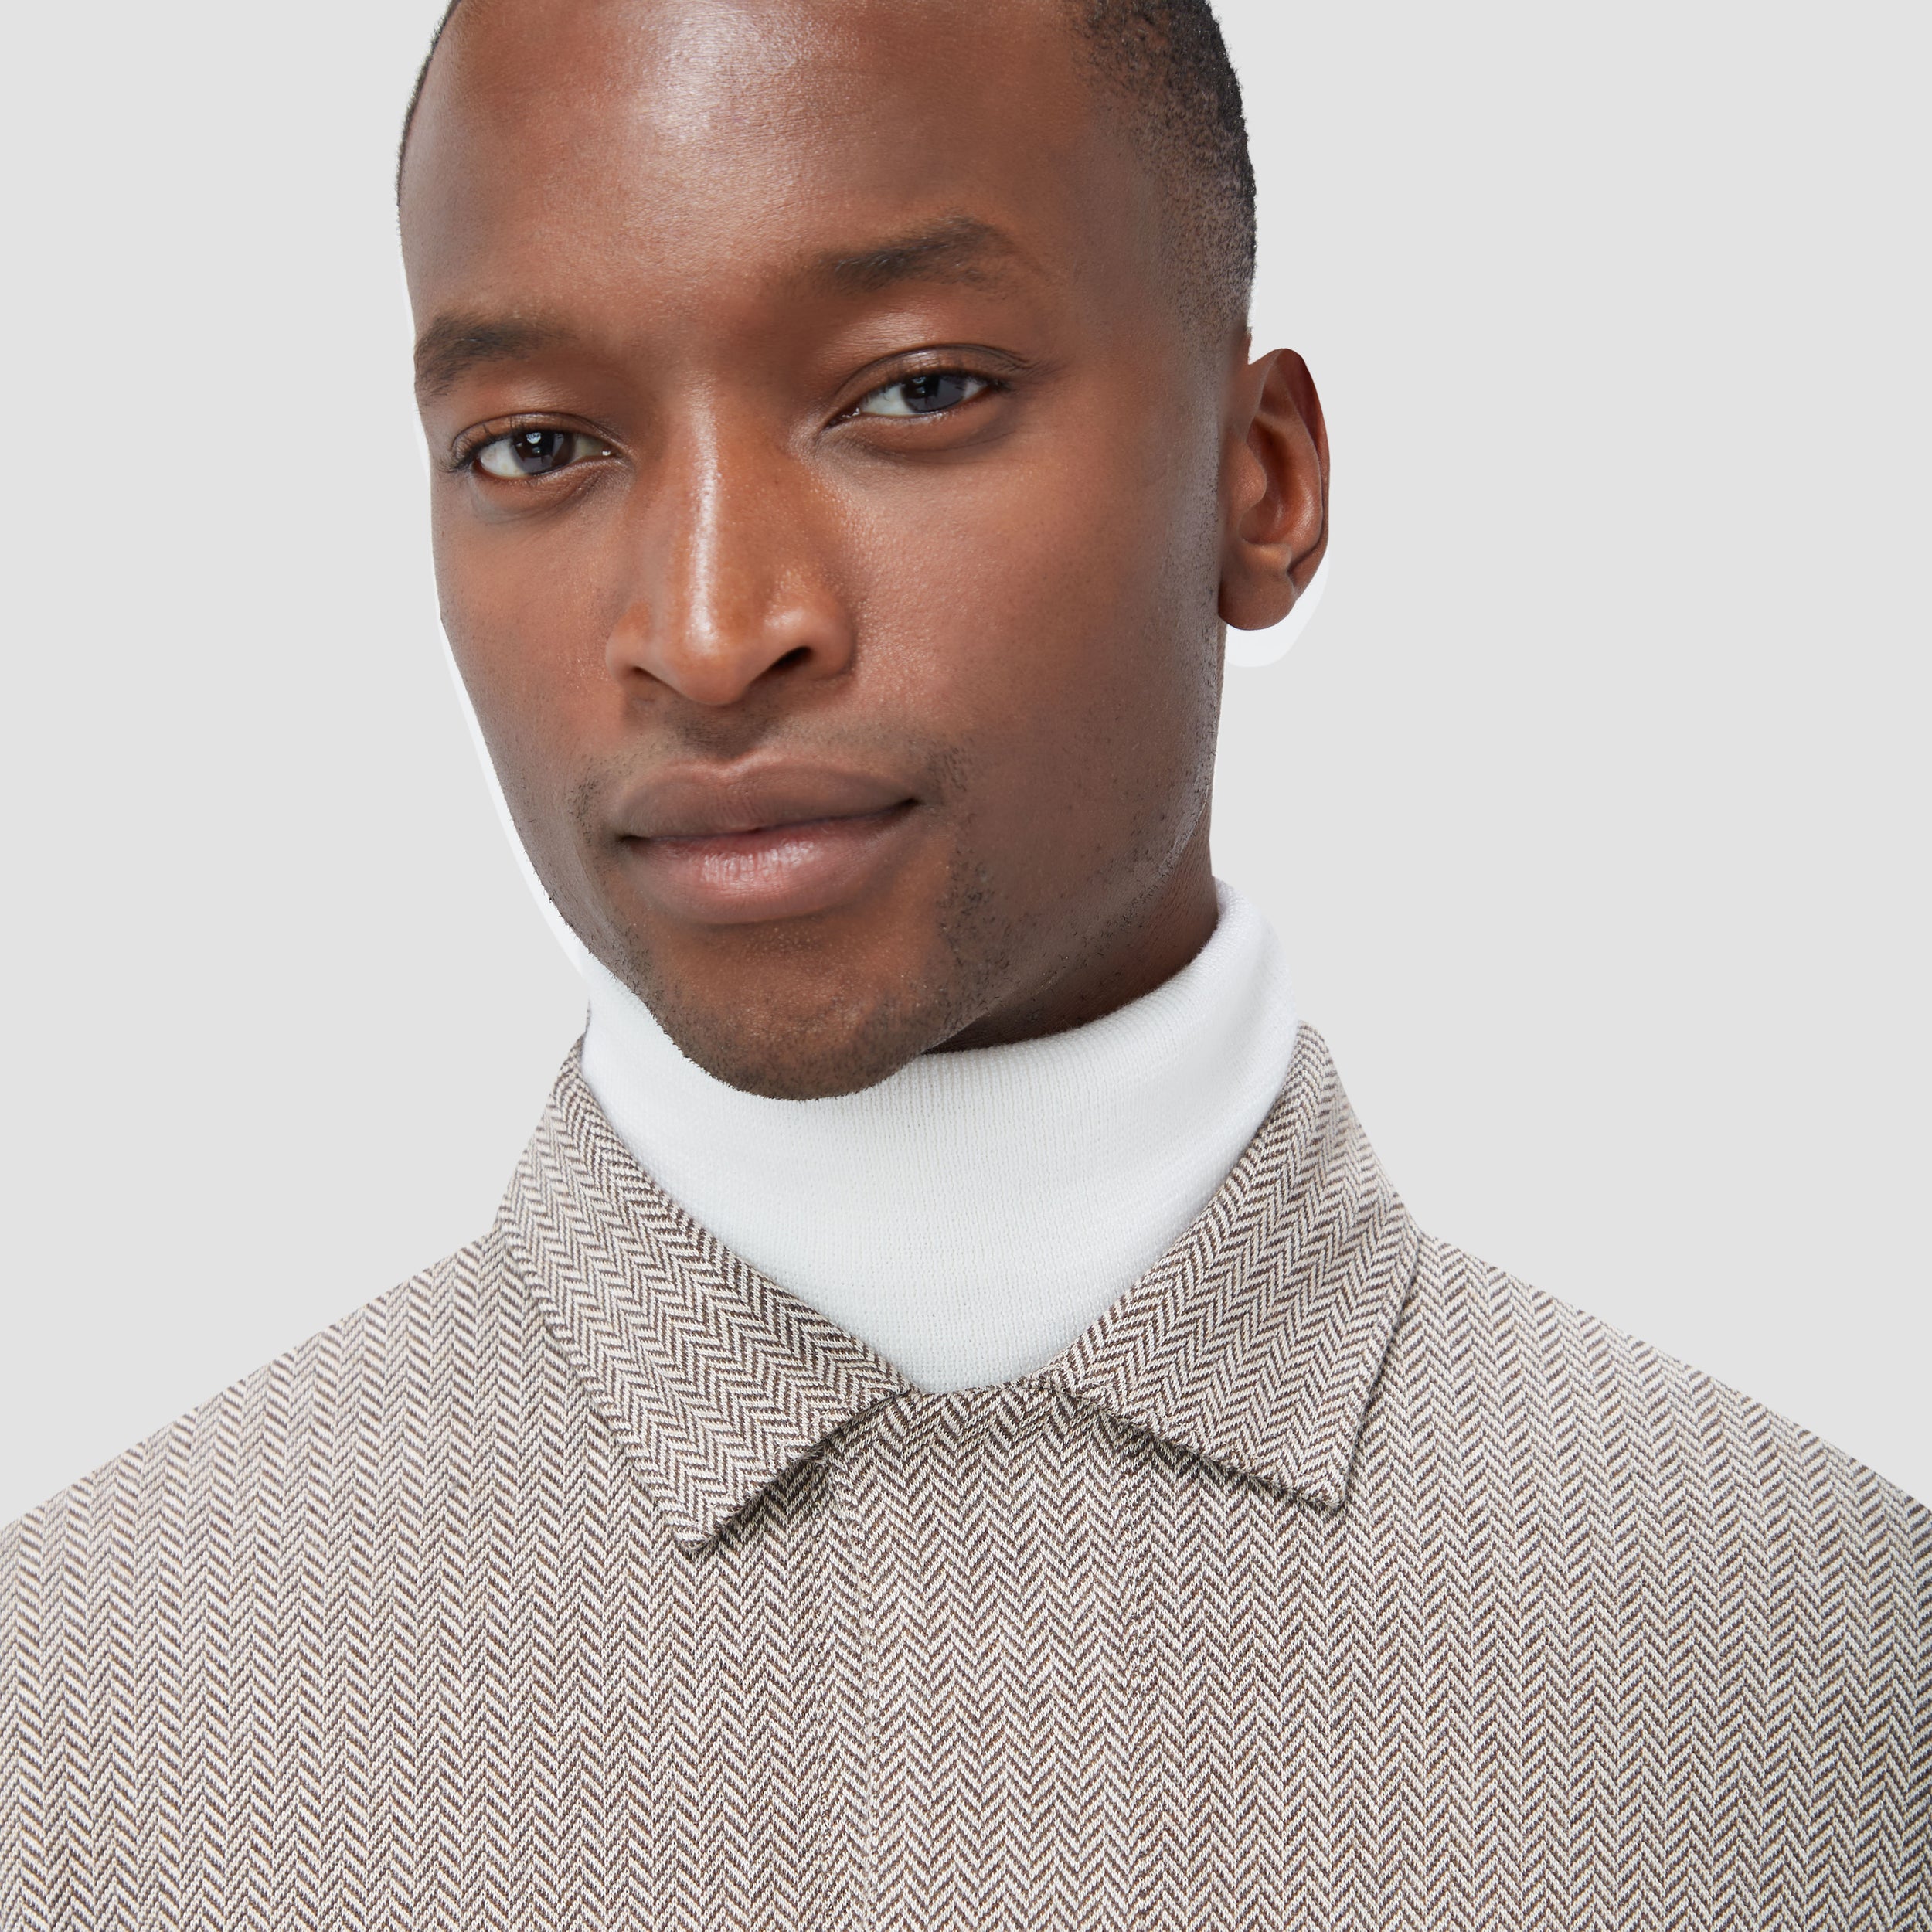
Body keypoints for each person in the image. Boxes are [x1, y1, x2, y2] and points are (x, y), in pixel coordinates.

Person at [2, 0, 1924, 1923]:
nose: (709, 631)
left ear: (1260, 479)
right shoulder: (85, 1711)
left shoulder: (1823, 1653)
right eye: (535, 442)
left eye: (916, 392)